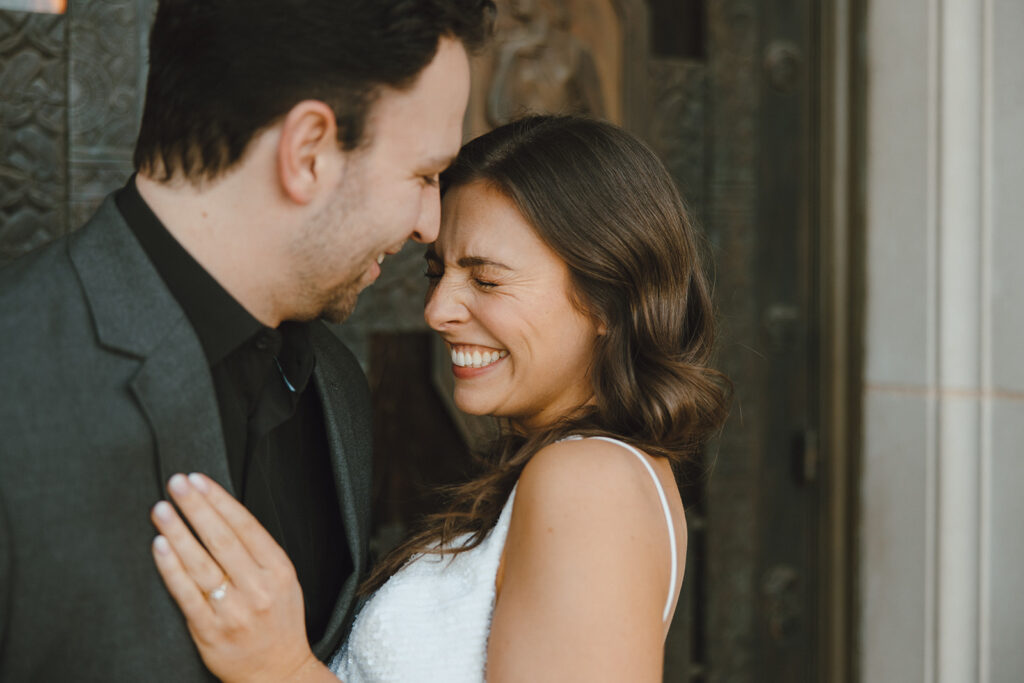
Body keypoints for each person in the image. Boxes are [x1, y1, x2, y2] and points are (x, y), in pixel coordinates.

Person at [0, 1, 492, 680]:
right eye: (424, 174)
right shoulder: (14, 375)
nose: (430, 224)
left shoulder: (338, 385)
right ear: (308, 150)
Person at [148, 115, 731, 682]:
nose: (437, 312)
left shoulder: (589, 481)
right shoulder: (591, 471)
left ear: (609, 298)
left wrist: (279, 670)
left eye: (486, 280)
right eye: (437, 273)